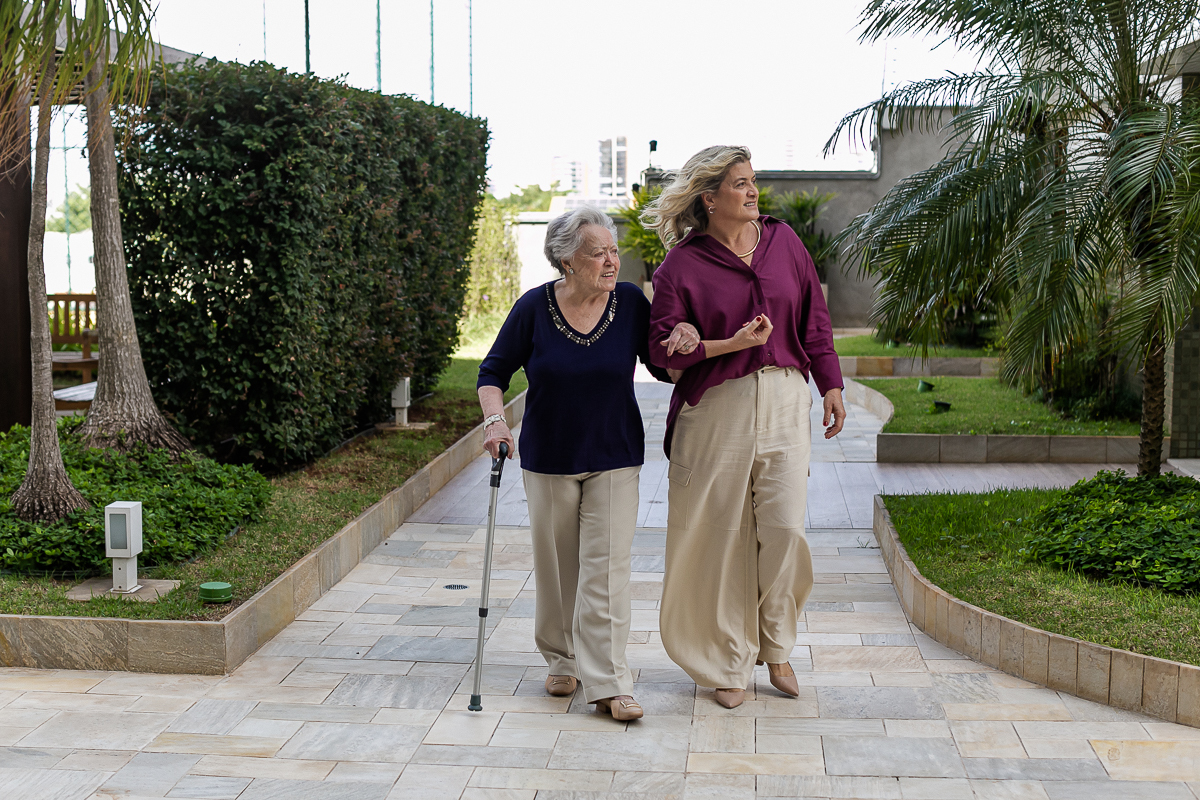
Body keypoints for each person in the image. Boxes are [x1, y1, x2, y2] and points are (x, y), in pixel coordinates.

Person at [477, 205, 698, 721]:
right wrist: (495, 422)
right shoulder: (533, 308)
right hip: (549, 457)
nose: (611, 261)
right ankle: (563, 658)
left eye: (613, 251)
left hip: (614, 454)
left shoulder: (630, 302)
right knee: (559, 568)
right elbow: (493, 372)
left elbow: (661, 366)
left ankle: (611, 682)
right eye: (598, 253)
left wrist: (683, 337)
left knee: (607, 570)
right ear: (567, 261)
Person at [645, 145, 846, 709]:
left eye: (753, 181)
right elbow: (660, 353)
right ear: (709, 198)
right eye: (739, 183)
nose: (753, 191)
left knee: (784, 528)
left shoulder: (785, 242)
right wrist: (688, 338)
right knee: (719, 537)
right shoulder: (681, 266)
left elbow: (815, 320)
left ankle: (776, 643)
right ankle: (726, 662)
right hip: (716, 409)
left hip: (785, 399)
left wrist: (830, 383)